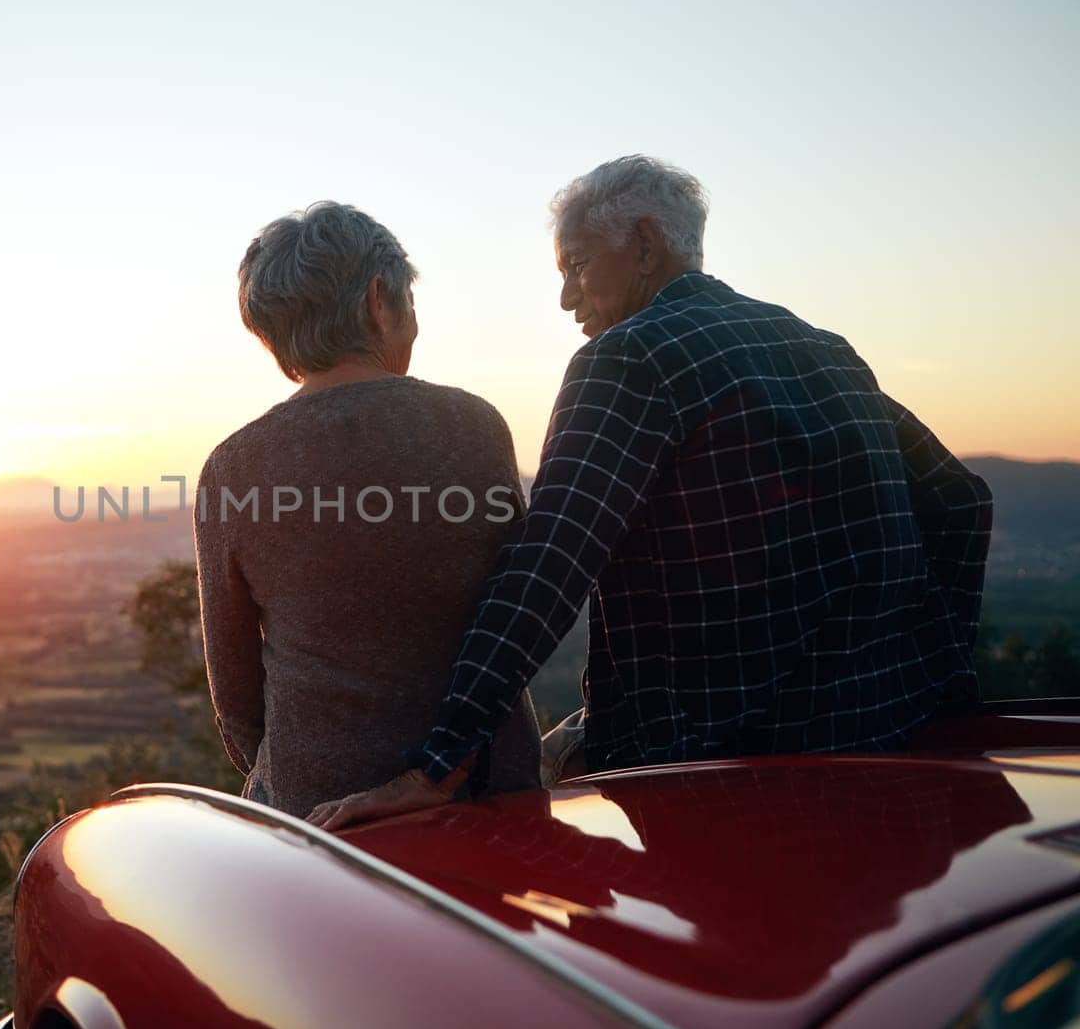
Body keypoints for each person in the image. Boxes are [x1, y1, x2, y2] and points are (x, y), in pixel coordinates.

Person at [307, 155, 993, 831]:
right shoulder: (822, 347)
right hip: (882, 738)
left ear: (642, 245)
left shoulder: (630, 358)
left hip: (710, 772)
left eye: (576, 266)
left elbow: (548, 564)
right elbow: (961, 500)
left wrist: (436, 764)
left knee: (502, 806)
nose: (567, 298)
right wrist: (938, 678)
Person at [196, 201, 542, 819]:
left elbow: (235, 693)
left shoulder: (232, 468)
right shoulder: (474, 427)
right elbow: (515, 614)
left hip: (322, 808)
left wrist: (296, 768)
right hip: (488, 792)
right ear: (380, 301)